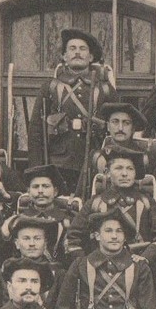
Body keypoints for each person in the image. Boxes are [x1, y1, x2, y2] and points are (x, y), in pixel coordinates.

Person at [33, 28, 113, 194]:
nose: (77, 52)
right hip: (59, 165)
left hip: (94, 163)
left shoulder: (105, 89)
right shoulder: (50, 87)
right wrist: (38, 170)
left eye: (83, 49)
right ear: (64, 56)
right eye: (72, 48)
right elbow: (36, 131)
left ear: (91, 57)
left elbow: (117, 129)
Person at [72, 147, 156, 264]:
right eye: (118, 168)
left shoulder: (146, 202)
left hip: (138, 266)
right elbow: (72, 237)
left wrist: (145, 258)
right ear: (107, 173)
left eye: (130, 169)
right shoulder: (95, 204)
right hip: (101, 269)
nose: (124, 174)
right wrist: (85, 263)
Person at [0, 165, 76, 270]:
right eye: (35, 187)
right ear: (28, 192)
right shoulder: (16, 222)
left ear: (55, 191)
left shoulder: (67, 223)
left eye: (45, 186)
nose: (40, 191)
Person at [0, 217, 62, 309]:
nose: (32, 244)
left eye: (37, 238)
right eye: (26, 238)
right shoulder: (3, 275)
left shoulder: (58, 275)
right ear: (17, 244)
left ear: (45, 244)